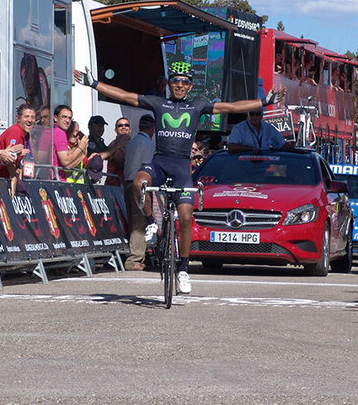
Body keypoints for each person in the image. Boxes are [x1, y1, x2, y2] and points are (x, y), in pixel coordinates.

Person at [74, 61, 283, 294]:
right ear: (169, 83)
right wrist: (93, 84)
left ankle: (183, 269)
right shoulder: (158, 102)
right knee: (138, 183)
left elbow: (232, 107)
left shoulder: (197, 106)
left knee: (185, 217)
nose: (179, 85)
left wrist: (265, 101)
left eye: (184, 82)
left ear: (190, 86)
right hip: (160, 163)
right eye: (175, 81)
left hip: (182, 169)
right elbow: (125, 95)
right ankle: (151, 223)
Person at [122, 114, 155, 271]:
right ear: (152, 128)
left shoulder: (132, 141)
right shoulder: (147, 143)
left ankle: (136, 256)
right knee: (139, 223)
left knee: (134, 222)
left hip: (128, 183)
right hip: (139, 184)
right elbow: (146, 166)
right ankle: (134, 259)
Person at [0, 103, 34, 194]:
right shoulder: (15, 131)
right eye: (26, 116)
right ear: (18, 118)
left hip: (6, 177)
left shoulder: (26, 135)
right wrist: (14, 180)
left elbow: (17, 164)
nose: (30, 120)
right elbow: (10, 159)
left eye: (33, 117)